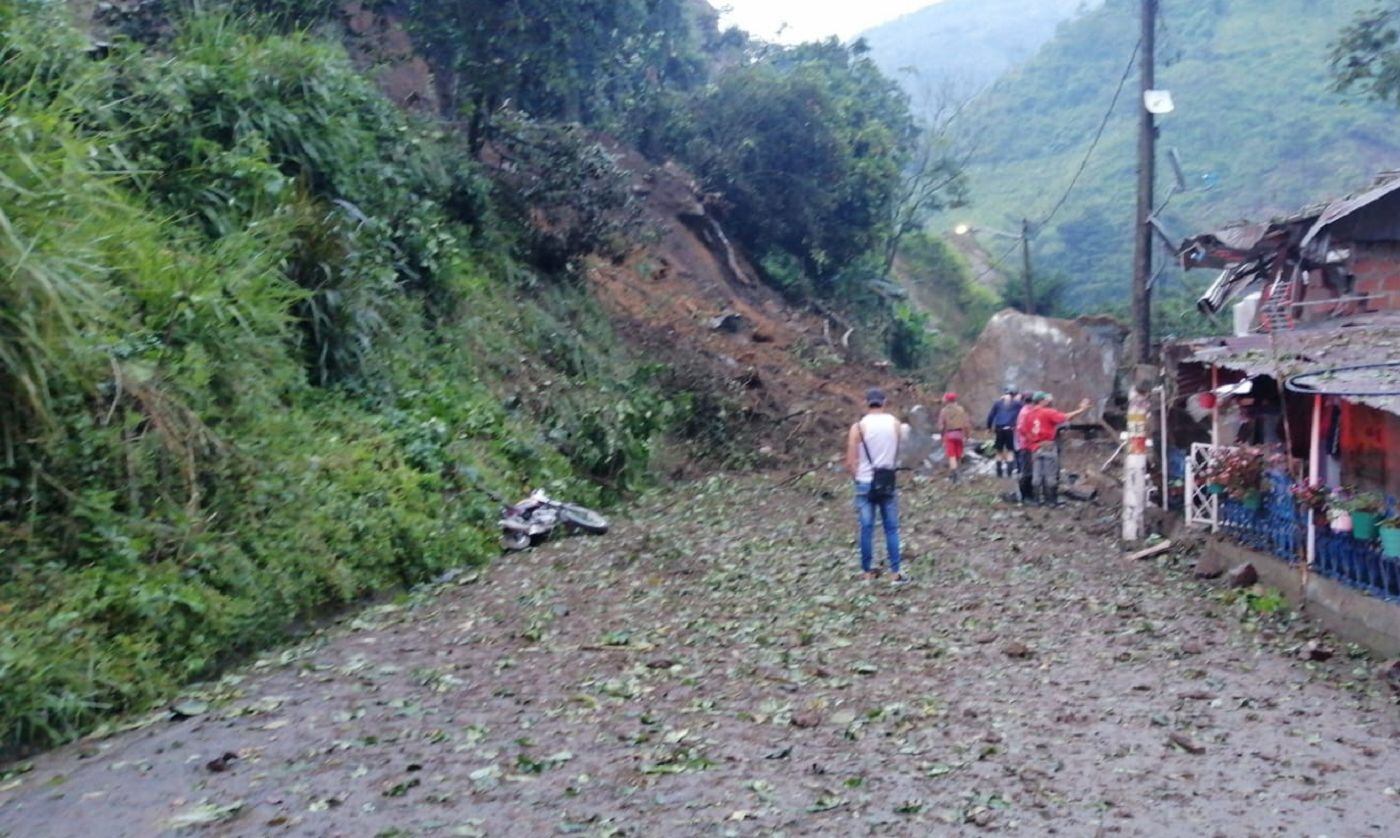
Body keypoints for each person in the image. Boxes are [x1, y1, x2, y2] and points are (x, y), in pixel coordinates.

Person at [844, 388, 907, 584]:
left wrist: (858, 477)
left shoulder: (859, 427)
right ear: (884, 402)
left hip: (865, 482)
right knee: (891, 528)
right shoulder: (895, 424)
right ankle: (895, 573)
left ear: (866, 403)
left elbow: (850, 462)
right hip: (887, 481)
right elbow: (898, 452)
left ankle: (866, 572)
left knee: (866, 528)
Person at [1024, 392, 1092, 506]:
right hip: (1048, 447)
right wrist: (1081, 410)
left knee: (1037, 476)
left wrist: (1032, 443)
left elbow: (1024, 431)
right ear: (1042, 401)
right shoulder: (1048, 412)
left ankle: (1036, 500)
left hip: (1035, 448)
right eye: (1047, 399)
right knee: (1050, 476)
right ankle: (1050, 501)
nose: (1049, 401)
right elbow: (1065, 417)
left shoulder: (1028, 414)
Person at [985, 389, 1023, 479]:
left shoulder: (997, 403)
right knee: (1010, 451)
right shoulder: (1017, 404)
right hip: (1010, 429)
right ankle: (1009, 474)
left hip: (999, 429)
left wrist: (989, 427)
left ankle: (999, 473)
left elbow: (991, 416)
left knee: (999, 451)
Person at [937, 392, 972, 481]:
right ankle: (959, 472)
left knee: (951, 455)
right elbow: (966, 424)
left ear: (947, 400)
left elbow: (941, 426)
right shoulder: (961, 410)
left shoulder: (944, 411)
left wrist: (941, 436)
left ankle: (954, 475)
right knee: (958, 454)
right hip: (959, 434)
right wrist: (967, 436)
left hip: (949, 435)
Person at [1014, 392, 1038, 503]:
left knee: (1027, 470)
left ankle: (1027, 495)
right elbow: (1021, 428)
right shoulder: (1027, 412)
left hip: (1025, 444)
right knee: (1027, 471)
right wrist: (1031, 438)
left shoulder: (1025, 410)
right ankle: (1026, 496)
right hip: (1026, 444)